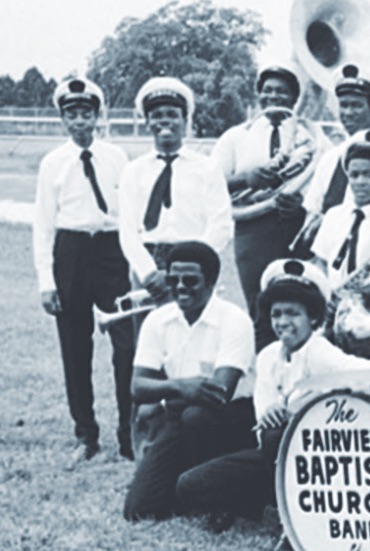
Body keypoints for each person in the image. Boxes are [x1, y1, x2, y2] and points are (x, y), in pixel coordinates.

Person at [175, 258, 370, 551]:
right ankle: (273, 503)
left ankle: (297, 519)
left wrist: (304, 405)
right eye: (276, 314)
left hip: (321, 461)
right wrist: (272, 412)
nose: (282, 322)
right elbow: (261, 426)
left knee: (277, 437)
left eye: (293, 314)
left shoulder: (321, 351)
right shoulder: (268, 356)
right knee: (189, 485)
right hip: (275, 455)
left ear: (313, 319)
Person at [33, 77, 135, 463]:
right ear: (63, 119)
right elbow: (43, 224)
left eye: (86, 113)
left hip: (111, 251)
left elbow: (129, 211)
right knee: (76, 347)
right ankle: (86, 435)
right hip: (71, 251)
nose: (80, 121)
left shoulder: (117, 157)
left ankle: (128, 434)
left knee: (126, 344)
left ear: (97, 115)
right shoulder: (53, 163)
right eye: (72, 114)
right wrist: (47, 281)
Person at [123, 242, 257, 521]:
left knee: (199, 416)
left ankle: (225, 497)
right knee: (139, 509)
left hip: (232, 420)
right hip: (179, 416)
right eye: (173, 279)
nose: (180, 287)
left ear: (210, 281)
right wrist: (179, 387)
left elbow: (219, 393)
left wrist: (161, 396)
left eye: (190, 280)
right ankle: (192, 486)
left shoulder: (235, 320)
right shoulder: (157, 320)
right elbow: (137, 388)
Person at [212, 65, 330, 349]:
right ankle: (267, 381)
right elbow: (210, 183)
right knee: (262, 309)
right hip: (253, 231)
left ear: (293, 98)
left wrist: (302, 205)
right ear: (259, 95)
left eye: (282, 92)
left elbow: (325, 178)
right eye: (268, 91)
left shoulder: (312, 137)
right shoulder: (236, 136)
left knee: (303, 307)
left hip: (297, 228)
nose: (274, 96)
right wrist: (246, 178)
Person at [117, 77, 233, 314]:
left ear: (184, 120)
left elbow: (221, 225)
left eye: (172, 114)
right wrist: (149, 274)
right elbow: (127, 231)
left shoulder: (207, 168)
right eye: (157, 115)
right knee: (150, 339)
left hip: (194, 264)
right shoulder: (133, 171)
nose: (164, 121)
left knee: (195, 338)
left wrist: (193, 268)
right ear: (147, 121)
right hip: (148, 264)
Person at [301, 64, 370, 237]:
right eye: (344, 105)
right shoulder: (329, 158)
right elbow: (312, 211)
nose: (348, 112)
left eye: (356, 105)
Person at [311, 131, 370, 319]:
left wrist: (353, 295)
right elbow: (320, 262)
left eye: (368, 175)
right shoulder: (333, 216)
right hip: (331, 306)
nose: (360, 182)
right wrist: (326, 292)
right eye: (354, 175)